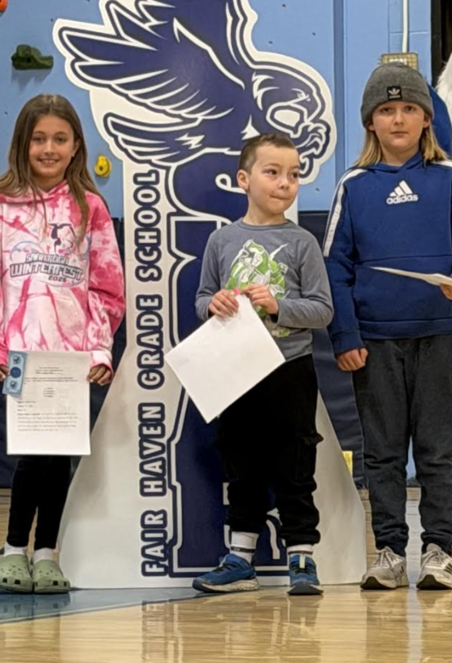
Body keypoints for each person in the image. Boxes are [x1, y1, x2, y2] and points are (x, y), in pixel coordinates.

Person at [324, 63, 452, 591]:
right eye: (386, 110)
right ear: (371, 122)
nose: (398, 119)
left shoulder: (450, 178)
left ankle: (439, 550)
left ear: (426, 119)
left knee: (439, 450)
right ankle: (391, 552)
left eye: (409, 109)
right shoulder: (353, 187)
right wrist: (346, 337)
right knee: (384, 453)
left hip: (442, 335)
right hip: (374, 343)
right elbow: (334, 267)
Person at [0, 93, 125, 594]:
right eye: (39, 139)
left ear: (76, 146)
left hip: (70, 358)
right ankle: (14, 549)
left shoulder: (90, 209)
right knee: (33, 455)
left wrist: (99, 349)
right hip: (20, 356)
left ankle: (47, 552)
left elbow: (106, 287)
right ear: (23, 144)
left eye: (60, 139)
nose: (49, 148)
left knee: (60, 456)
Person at [192, 133, 334, 596]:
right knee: (242, 461)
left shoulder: (303, 243)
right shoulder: (222, 240)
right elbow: (200, 299)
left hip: (290, 369)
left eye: (294, 175)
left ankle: (302, 558)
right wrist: (211, 304)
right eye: (272, 172)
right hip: (235, 369)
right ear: (244, 179)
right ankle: (240, 558)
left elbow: (322, 309)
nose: (285, 183)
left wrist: (278, 305)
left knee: (296, 462)